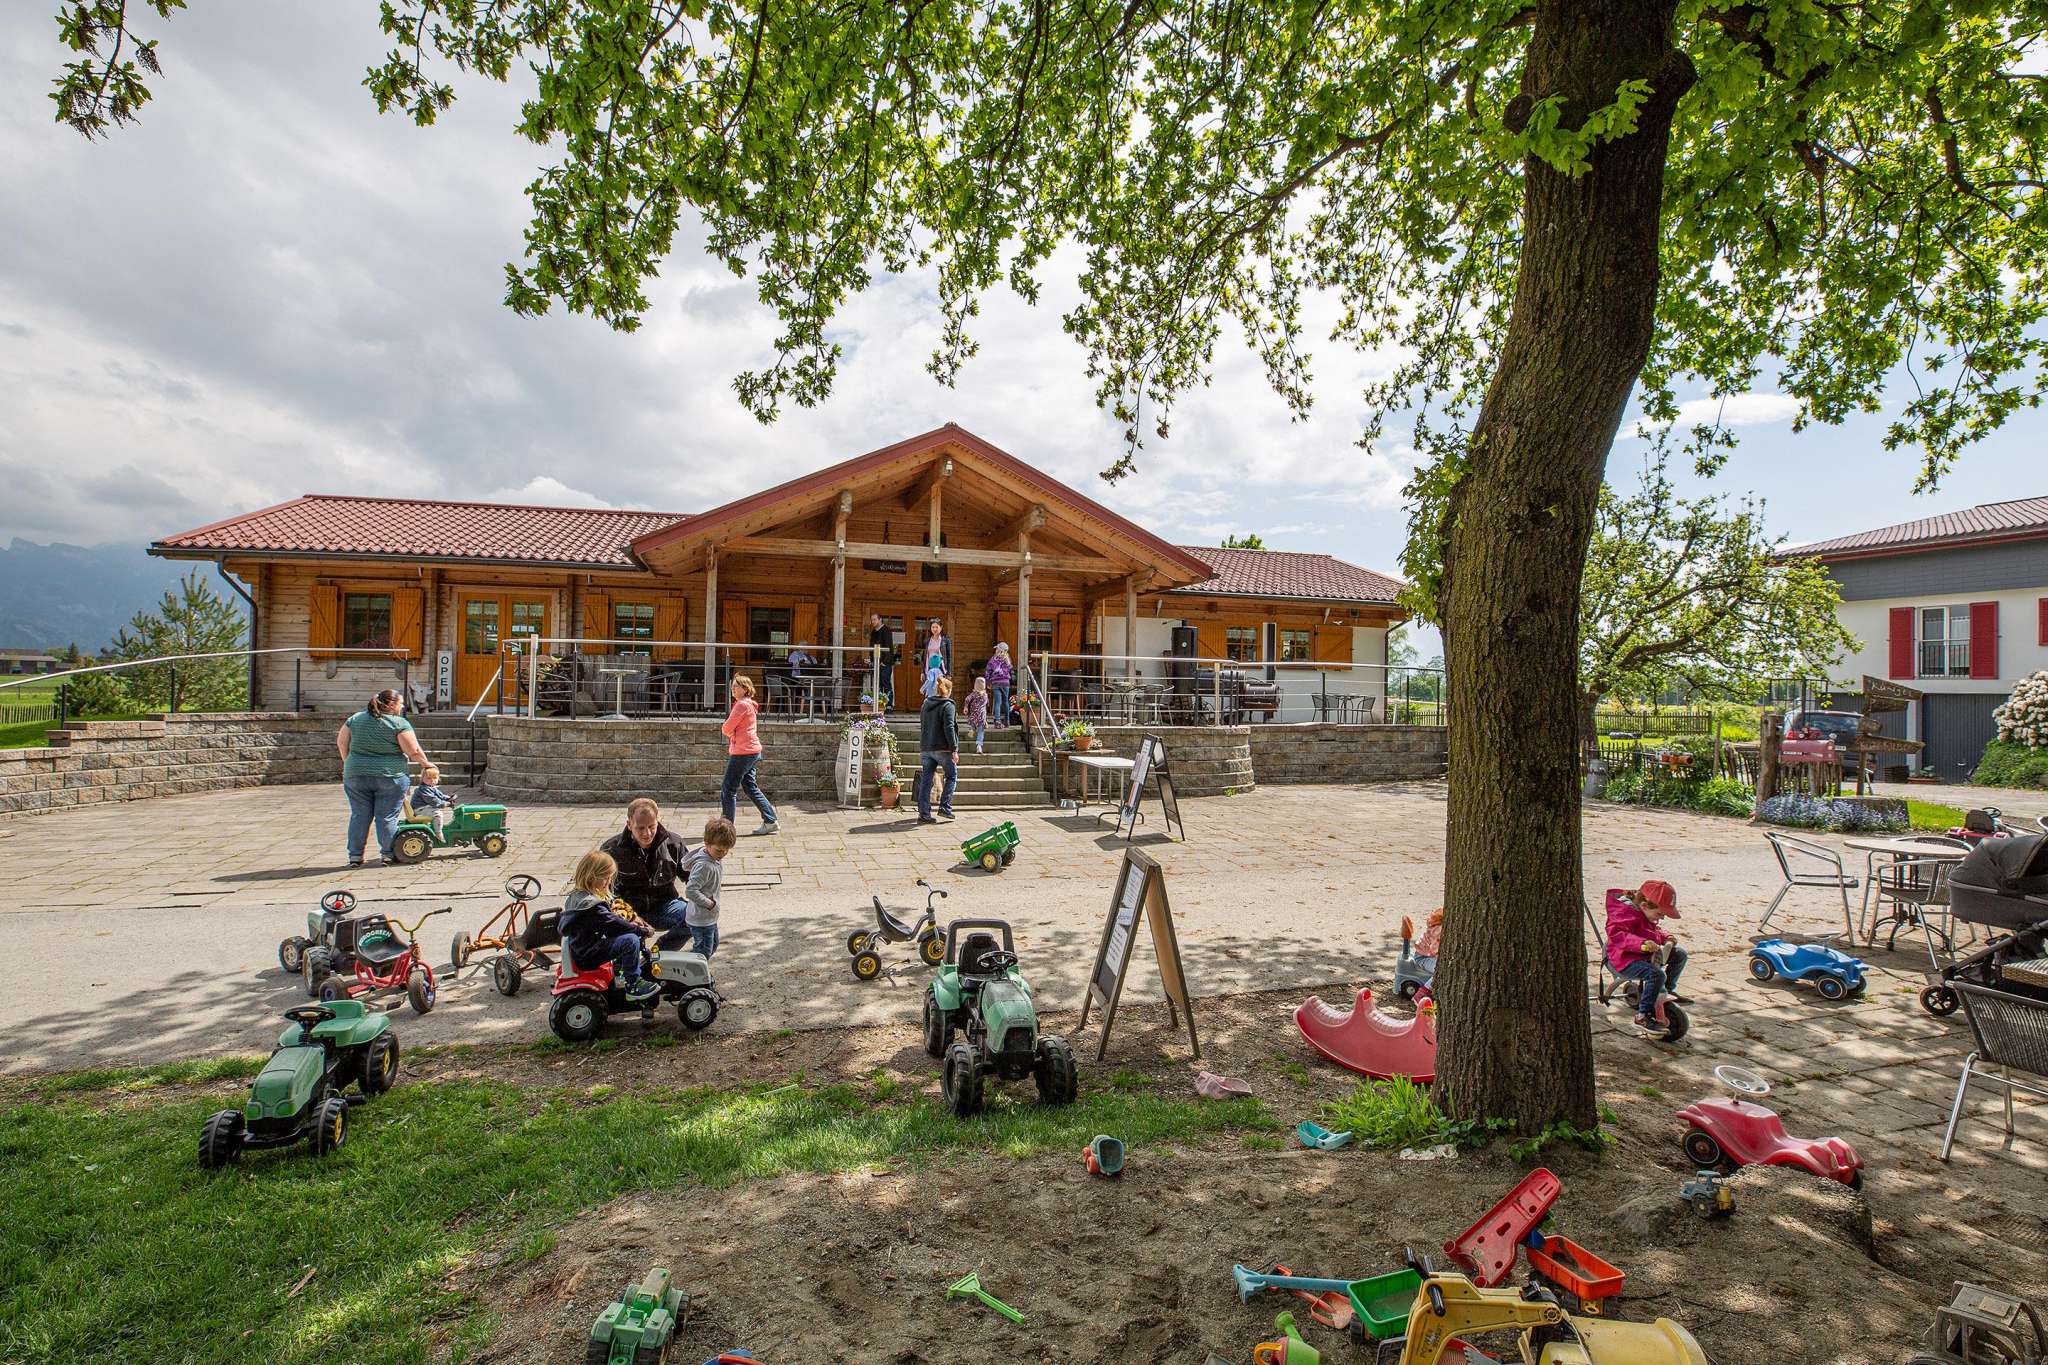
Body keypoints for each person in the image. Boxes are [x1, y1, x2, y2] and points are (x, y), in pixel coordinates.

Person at [336, 688, 433, 868]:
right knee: (387, 817)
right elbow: (413, 751)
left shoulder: (355, 719)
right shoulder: (398, 723)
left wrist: (350, 763)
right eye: (400, 703)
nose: (402, 706)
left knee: (359, 815)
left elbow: (342, 743)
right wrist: (427, 765)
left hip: (356, 775)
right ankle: (387, 854)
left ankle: (355, 856)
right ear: (390, 704)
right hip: (390, 777)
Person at [561, 849, 660, 1002]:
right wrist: (642, 930)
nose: (608, 881)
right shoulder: (593, 906)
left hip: (582, 946)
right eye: (606, 878)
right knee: (630, 940)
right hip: (589, 954)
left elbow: (609, 920)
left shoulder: (576, 896)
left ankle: (622, 967)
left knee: (623, 936)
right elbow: (615, 924)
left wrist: (629, 921)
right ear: (592, 877)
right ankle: (633, 984)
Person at [599, 797, 693, 949]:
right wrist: (628, 915)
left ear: (658, 821)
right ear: (629, 824)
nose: (647, 833)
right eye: (640, 828)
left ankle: (660, 951)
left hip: (665, 906)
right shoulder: (611, 850)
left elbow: (693, 878)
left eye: (651, 826)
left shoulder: (674, 844)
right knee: (615, 927)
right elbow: (601, 892)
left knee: (696, 914)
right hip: (627, 909)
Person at [1605, 879, 1690, 1035]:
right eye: (1660, 914)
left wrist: (1667, 937)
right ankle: (1642, 1016)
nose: (1662, 918)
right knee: (1656, 974)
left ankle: (1665, 993)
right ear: (1644, 905)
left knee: (1680, 955)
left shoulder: (1645, 913)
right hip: (1623, 960)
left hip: (1642, 955)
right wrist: (1641, 943)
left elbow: (1653, 930)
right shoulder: (1623, 913)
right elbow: (1618, 935)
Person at [721, 674, 780, 835]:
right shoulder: (748, 705)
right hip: (751, 751)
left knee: (728, 789)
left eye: (736, 686)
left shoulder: (741, 705)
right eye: (732, 686)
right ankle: (770, 820)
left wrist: (730, 731)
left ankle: (726, 830)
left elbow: (726, 728)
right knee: (750, 787)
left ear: (745, 689)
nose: (733, 689)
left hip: (743, 752)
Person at [679, 816, 736, 957]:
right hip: (701, 918)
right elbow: (691, 890)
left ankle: (696, 968)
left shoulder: (713, 858)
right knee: (702, 951)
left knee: (712, 945)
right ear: (707, 844)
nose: (723, 854)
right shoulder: (704, 865)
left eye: (726, 850)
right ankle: (691, 969)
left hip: (709, 916)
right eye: (719, 850)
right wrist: (709, 904)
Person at [915, 674, 960, 824]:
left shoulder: (926, 704)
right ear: (949, 691)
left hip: (926, 747)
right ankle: (945, 807)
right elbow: (949, 727)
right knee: (951, 776)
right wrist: (954, 749)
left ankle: (924, 813)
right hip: (943, 748)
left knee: (926, 780)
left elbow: (923, 724)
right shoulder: (948, 705)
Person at [407, 763, 458, 834]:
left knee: (437, 811)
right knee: (438, 814)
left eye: (434, 778)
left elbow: (440, 795)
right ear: (422, 778)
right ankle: (438, 833)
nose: (432, 780)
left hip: (425, 807)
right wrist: (445, 804)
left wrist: (448, 798)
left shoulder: (431, 787)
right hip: (419, 809)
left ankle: (437, 827)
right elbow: (433, 801)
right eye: (429, 778)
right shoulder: (424, 789)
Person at [868, 612, 896, 707]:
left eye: (874, 619)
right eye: (872, 620)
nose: (873, 621)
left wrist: (884, 662)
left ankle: (889, 705)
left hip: (885, 664)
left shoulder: (886, 631)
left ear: (880, 620)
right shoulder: (873, 632)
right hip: (876, 663)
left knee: (886, 684)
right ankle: (879, 705)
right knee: (877, 684)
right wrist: (872, 661)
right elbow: (872, 648)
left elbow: (889, 647)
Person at [984, 642, 1013, 728]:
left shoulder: (993, 659)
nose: (996, 650)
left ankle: (997, 721)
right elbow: (1010, 670)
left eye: (997, 648)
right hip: (1005, 683)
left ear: (999, 650)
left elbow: (988, 671)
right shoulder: (1007, 660)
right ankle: (1007, 721)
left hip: (996, 683)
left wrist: (987, 682)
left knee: (997, 702)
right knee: (1006, 702)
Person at [963, 676, 992, 755]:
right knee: (981, 731)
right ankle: (979, 745)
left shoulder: (973, 694)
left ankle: (971, 731)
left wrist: (966, 707)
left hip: (974, 714)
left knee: (972, 725)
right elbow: (987, 705)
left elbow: (967, 699)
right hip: (982, 716)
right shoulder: (985, 695)